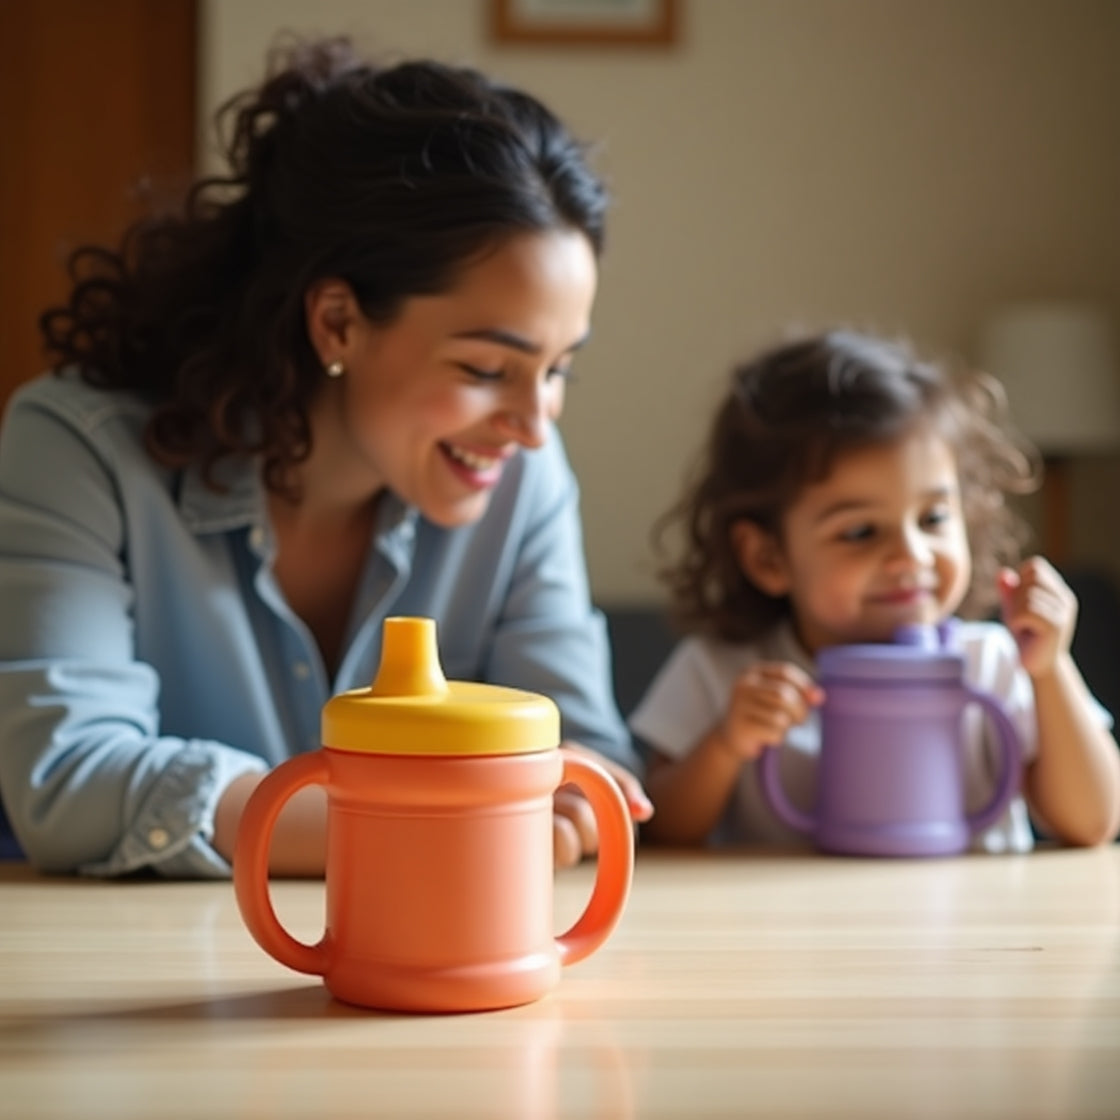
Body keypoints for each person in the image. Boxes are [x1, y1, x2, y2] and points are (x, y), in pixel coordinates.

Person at [0, 35, 652, 878]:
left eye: (557, 368)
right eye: (487, 369)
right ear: (338, 322)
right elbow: (68, 782)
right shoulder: (76, 448)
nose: (533, 423)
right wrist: (449, 830)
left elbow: (586, 761)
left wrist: (562, 809)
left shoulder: (525, 476)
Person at [632, 328, 1120, 851]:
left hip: (981, 932)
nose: (911, 554)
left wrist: (1050, 670)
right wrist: (726, 743)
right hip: (797, 932)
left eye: (933, 517)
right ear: (767, 557)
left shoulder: (995, 662)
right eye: (861, 532)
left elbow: (1091, 823)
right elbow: (662, 832)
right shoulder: (722, 671)